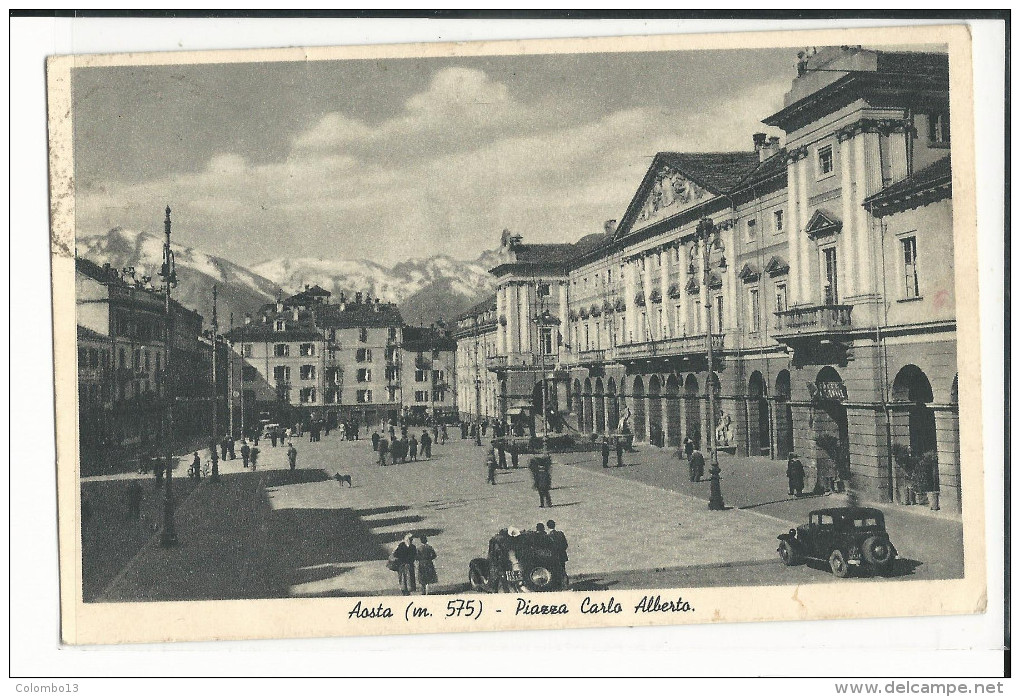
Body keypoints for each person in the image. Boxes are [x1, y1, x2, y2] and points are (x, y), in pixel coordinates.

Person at [546, 519, 569, 586]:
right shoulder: (560, 533)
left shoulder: (548, 536)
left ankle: (558, 585)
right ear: (554, 525)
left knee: (554, 571)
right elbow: (565, 545)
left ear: (547, 526)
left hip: (553, 557)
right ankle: (565, 585)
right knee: (563, 570)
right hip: (562, 555)